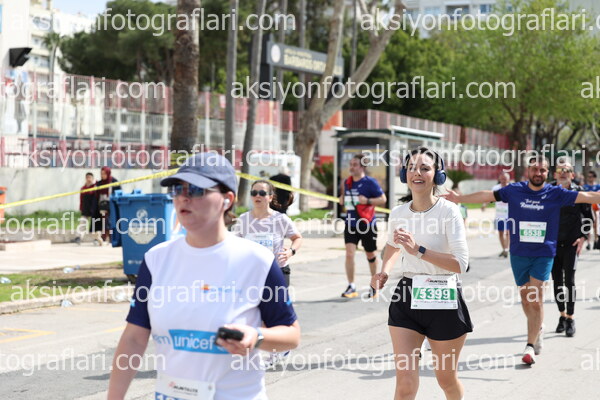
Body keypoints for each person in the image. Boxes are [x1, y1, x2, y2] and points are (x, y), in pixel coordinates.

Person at [107, 153, 300, 399]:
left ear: (227, 199)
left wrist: (257, 336)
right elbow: (134, 339)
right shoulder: (156, 260)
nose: (184, 197)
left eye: (197, 190)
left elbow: (291, 335)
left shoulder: (258, 261)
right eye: (178, 189)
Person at [444, 155, 600, 365]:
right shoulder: (514, 190)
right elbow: (488, 195)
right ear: (528, 171)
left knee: (535, 298)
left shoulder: (556, 193)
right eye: (534, 169)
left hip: (544, 253)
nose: (538, 173)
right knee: (526, 299)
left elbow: (588, 196)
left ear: (547, 173)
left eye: (542, 170)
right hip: (519, 253)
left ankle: (530, 345)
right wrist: (459, 198)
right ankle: (538, 327)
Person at [372, 147, 471, 400]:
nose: (417, 173)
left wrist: (418, 250)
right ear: (404, 174)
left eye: (425, 168)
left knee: (446, 379)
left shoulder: (449, 211)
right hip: (407, 296)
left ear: (437, 175)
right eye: (411, 168)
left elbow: (461, 263)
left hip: (444, 296)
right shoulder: (398, 213)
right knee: (404, 383)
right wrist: (384, 271)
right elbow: (393, 245)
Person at [233, 179, 303, 287]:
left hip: (277, 270)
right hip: (252, 271)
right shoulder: (243, 219)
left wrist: (291, 251)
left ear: (270, 197)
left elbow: (297, 238)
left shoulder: (281, 218)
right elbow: (236, 243)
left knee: (278, 298)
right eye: (254, 193)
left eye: (262, 193)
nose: (257, 196)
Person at [551, 161, 593, 337]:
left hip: (571, 245)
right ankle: (562, 315)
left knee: (569, 281)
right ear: (555, 174)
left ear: (572, 175)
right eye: (560, 170)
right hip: (552, 245)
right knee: (557, 282)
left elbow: (588, 217)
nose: (563, 173)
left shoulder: (579, 192)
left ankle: (570, 318)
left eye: (567, 170)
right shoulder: (548, 191)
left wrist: (582, 237)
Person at [338, 153, 387, 298]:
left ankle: (374, 285)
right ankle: (351, 286)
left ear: (362, 167)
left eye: (355, 165)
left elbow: (382, 199)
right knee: (349, 254)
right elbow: (345, 198)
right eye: (351, 164)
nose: (351, 167)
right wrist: (342, 199)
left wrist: (367, 201)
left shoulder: (370, 182)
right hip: (351, 223)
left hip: (367, 224)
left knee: (370, 254)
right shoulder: (347, 182)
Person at [485, 172, 512, 258]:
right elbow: (490, 197)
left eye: (505, 179)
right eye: (502, 178)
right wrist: (484, 205)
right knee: (500, 233)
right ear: (499, 179)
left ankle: (506, 249)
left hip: (509, 215)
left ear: (508, 179)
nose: (503, 180)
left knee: (508, 233)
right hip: (499, 215)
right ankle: (504, 249)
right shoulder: (496, 188)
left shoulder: (511, 188)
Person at [94, 166, 121, 244]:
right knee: (104, 221)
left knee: (111, 221)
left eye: (104, 174)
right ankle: (104, 237)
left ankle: (112, 238)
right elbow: (96, 195)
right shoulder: (99, 183)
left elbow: (118, 193)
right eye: (101, 174)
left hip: (112, 205)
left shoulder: (114, 182)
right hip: (102, 206)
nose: (102, 175)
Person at [77, 172, 99, 244]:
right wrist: (81, 208)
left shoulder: (95, 187)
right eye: (87, 178)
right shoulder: (83, 188)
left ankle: (96, 239)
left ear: (92, 178)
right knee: (82, 223)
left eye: (90, 178)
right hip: (85, 208)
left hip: (93, 209)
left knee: (94, 224)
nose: (88, 179)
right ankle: (79, 237)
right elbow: (81, 199)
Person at [582, 170, 599, 250]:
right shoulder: (585, 187)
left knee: (595, 224)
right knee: (588, 223)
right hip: (587, 207)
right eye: (588, 177)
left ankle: (596, 240)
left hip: (596, 207)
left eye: (591, 177)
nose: (589, 178)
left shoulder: (598, 186)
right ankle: (588, 242)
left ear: (594, 177)